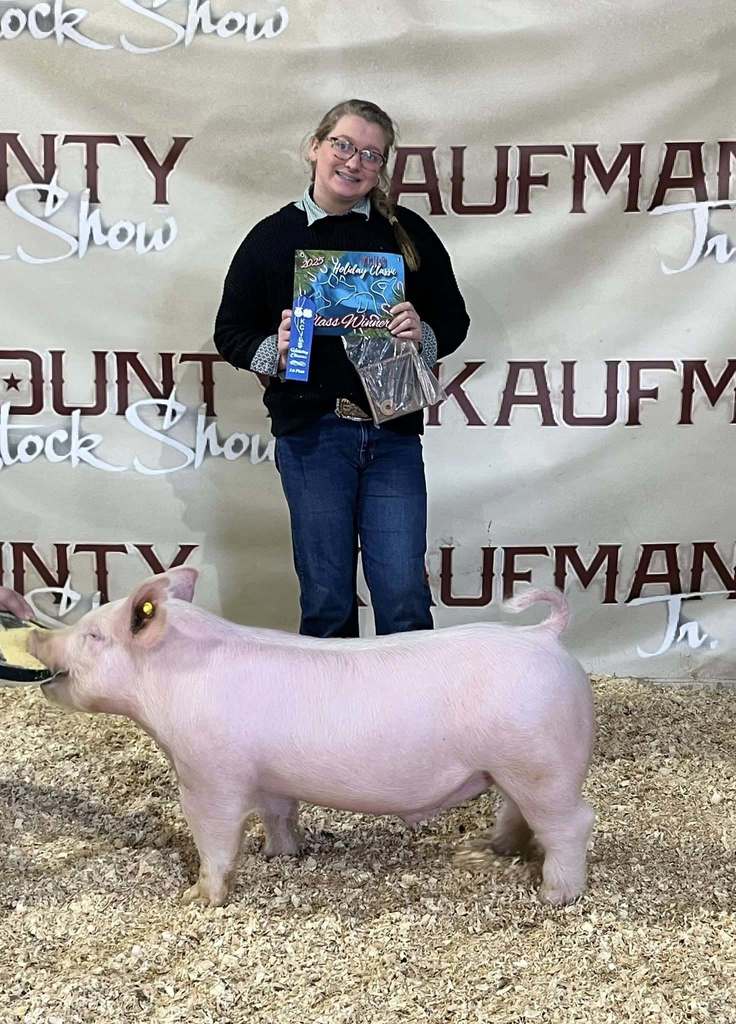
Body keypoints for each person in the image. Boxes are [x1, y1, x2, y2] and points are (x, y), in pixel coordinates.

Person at [214, 99, 469, 638]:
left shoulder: (408, 234)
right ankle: (332, 724)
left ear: (381, 169)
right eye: (343, 145)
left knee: (403, 595)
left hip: (393, 433)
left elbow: (455, 320)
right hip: (311, 436)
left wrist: (420, 332)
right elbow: (229, 331)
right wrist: (274, 352)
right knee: (328, 599)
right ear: (315, 147)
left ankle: (413, 721)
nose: (354, 162)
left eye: (372, 155)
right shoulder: (272, 238)